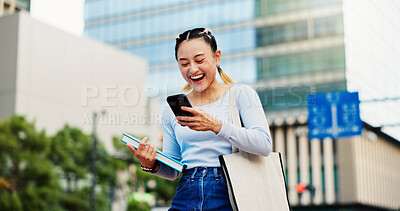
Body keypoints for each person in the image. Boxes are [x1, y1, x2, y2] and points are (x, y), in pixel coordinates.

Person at [126, 27, 272, 211]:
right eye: (184, 63)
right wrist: (151, 164)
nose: (193, 69)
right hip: (187, 190)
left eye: (199, 60)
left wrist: (216, 125)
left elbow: (264, 144)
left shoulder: (240, 94)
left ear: (217, 57)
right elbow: (173, 169)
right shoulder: (171, 111)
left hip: (231, 190)